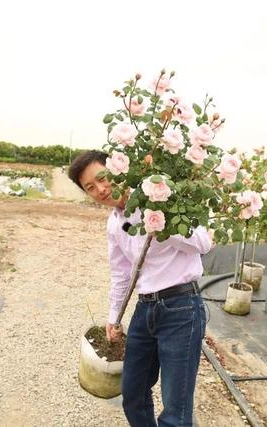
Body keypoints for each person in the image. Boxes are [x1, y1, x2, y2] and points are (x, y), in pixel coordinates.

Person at [68, 150, 211, 427]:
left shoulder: (162, 199)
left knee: (176, 411)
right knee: (132, 394)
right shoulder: (114, 223)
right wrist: (114, 316)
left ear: (117, 170)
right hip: (145, 308)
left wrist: (164, 223)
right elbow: (121, 273)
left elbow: (203, 243)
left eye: (102, 178)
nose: (100, 189)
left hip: (181, 307)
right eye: (90, 187)